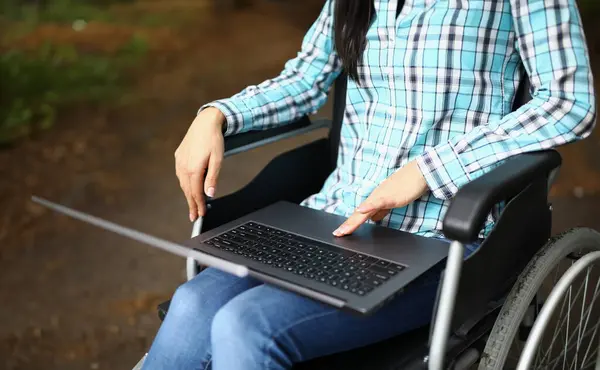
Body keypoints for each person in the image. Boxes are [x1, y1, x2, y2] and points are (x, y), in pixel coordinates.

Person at [142, 0, 596, 369]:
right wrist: (215, 115)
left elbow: (568, 102)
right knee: (193, 306)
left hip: (440, 237)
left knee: (246, 326)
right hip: (330, 219)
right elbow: (303, 81)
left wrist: (428, 171)